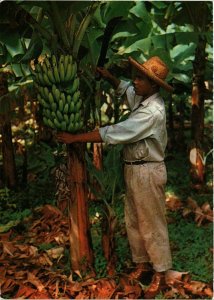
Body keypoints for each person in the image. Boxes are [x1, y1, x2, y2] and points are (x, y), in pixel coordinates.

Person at [57, 55, 174, 298]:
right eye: (137, 76)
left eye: (140, 78)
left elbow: (117, 131)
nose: (135, 81)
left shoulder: (152, 112)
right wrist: (111, 78)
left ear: (154, 86)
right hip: (133, 167)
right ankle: (143, 265)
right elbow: (127, 90)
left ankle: (161, 273)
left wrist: (75, 138)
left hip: (148, 170)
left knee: (151, 222)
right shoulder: (142, 97)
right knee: (133, 220)